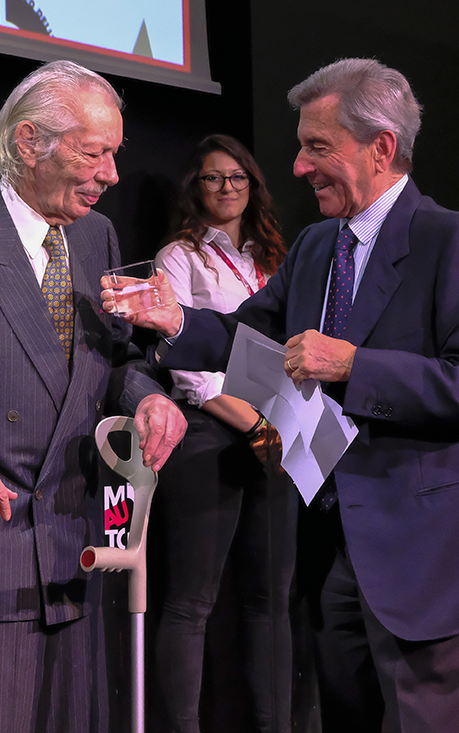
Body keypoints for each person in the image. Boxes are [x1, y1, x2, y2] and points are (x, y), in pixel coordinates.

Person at [105, 58, 459, 732]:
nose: (298, 166)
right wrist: (176, 320)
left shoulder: (457, 241)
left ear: (382, 147)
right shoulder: (313, 247)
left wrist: (355, 366)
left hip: (435, 565)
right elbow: (249, 337)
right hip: (336, 559)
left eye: (317, 146)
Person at [0, 59, 187, 733]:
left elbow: (112, 359)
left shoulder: (96, 236)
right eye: (95, 153)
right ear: (29, 144)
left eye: (115, 154)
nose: (111, 175)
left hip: (77, 547)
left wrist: (147, 396)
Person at [151, 134, 294, 733]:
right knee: (190, 603)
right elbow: (187, 365)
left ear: (253, 184)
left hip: (280, 434)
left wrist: (278, 425)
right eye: (213, 178)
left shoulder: (274, 260)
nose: (227, 187)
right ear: (196, 188)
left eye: (238, 177)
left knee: (271, 601)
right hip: (213, 434)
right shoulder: (178, 258)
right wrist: (252, 421)